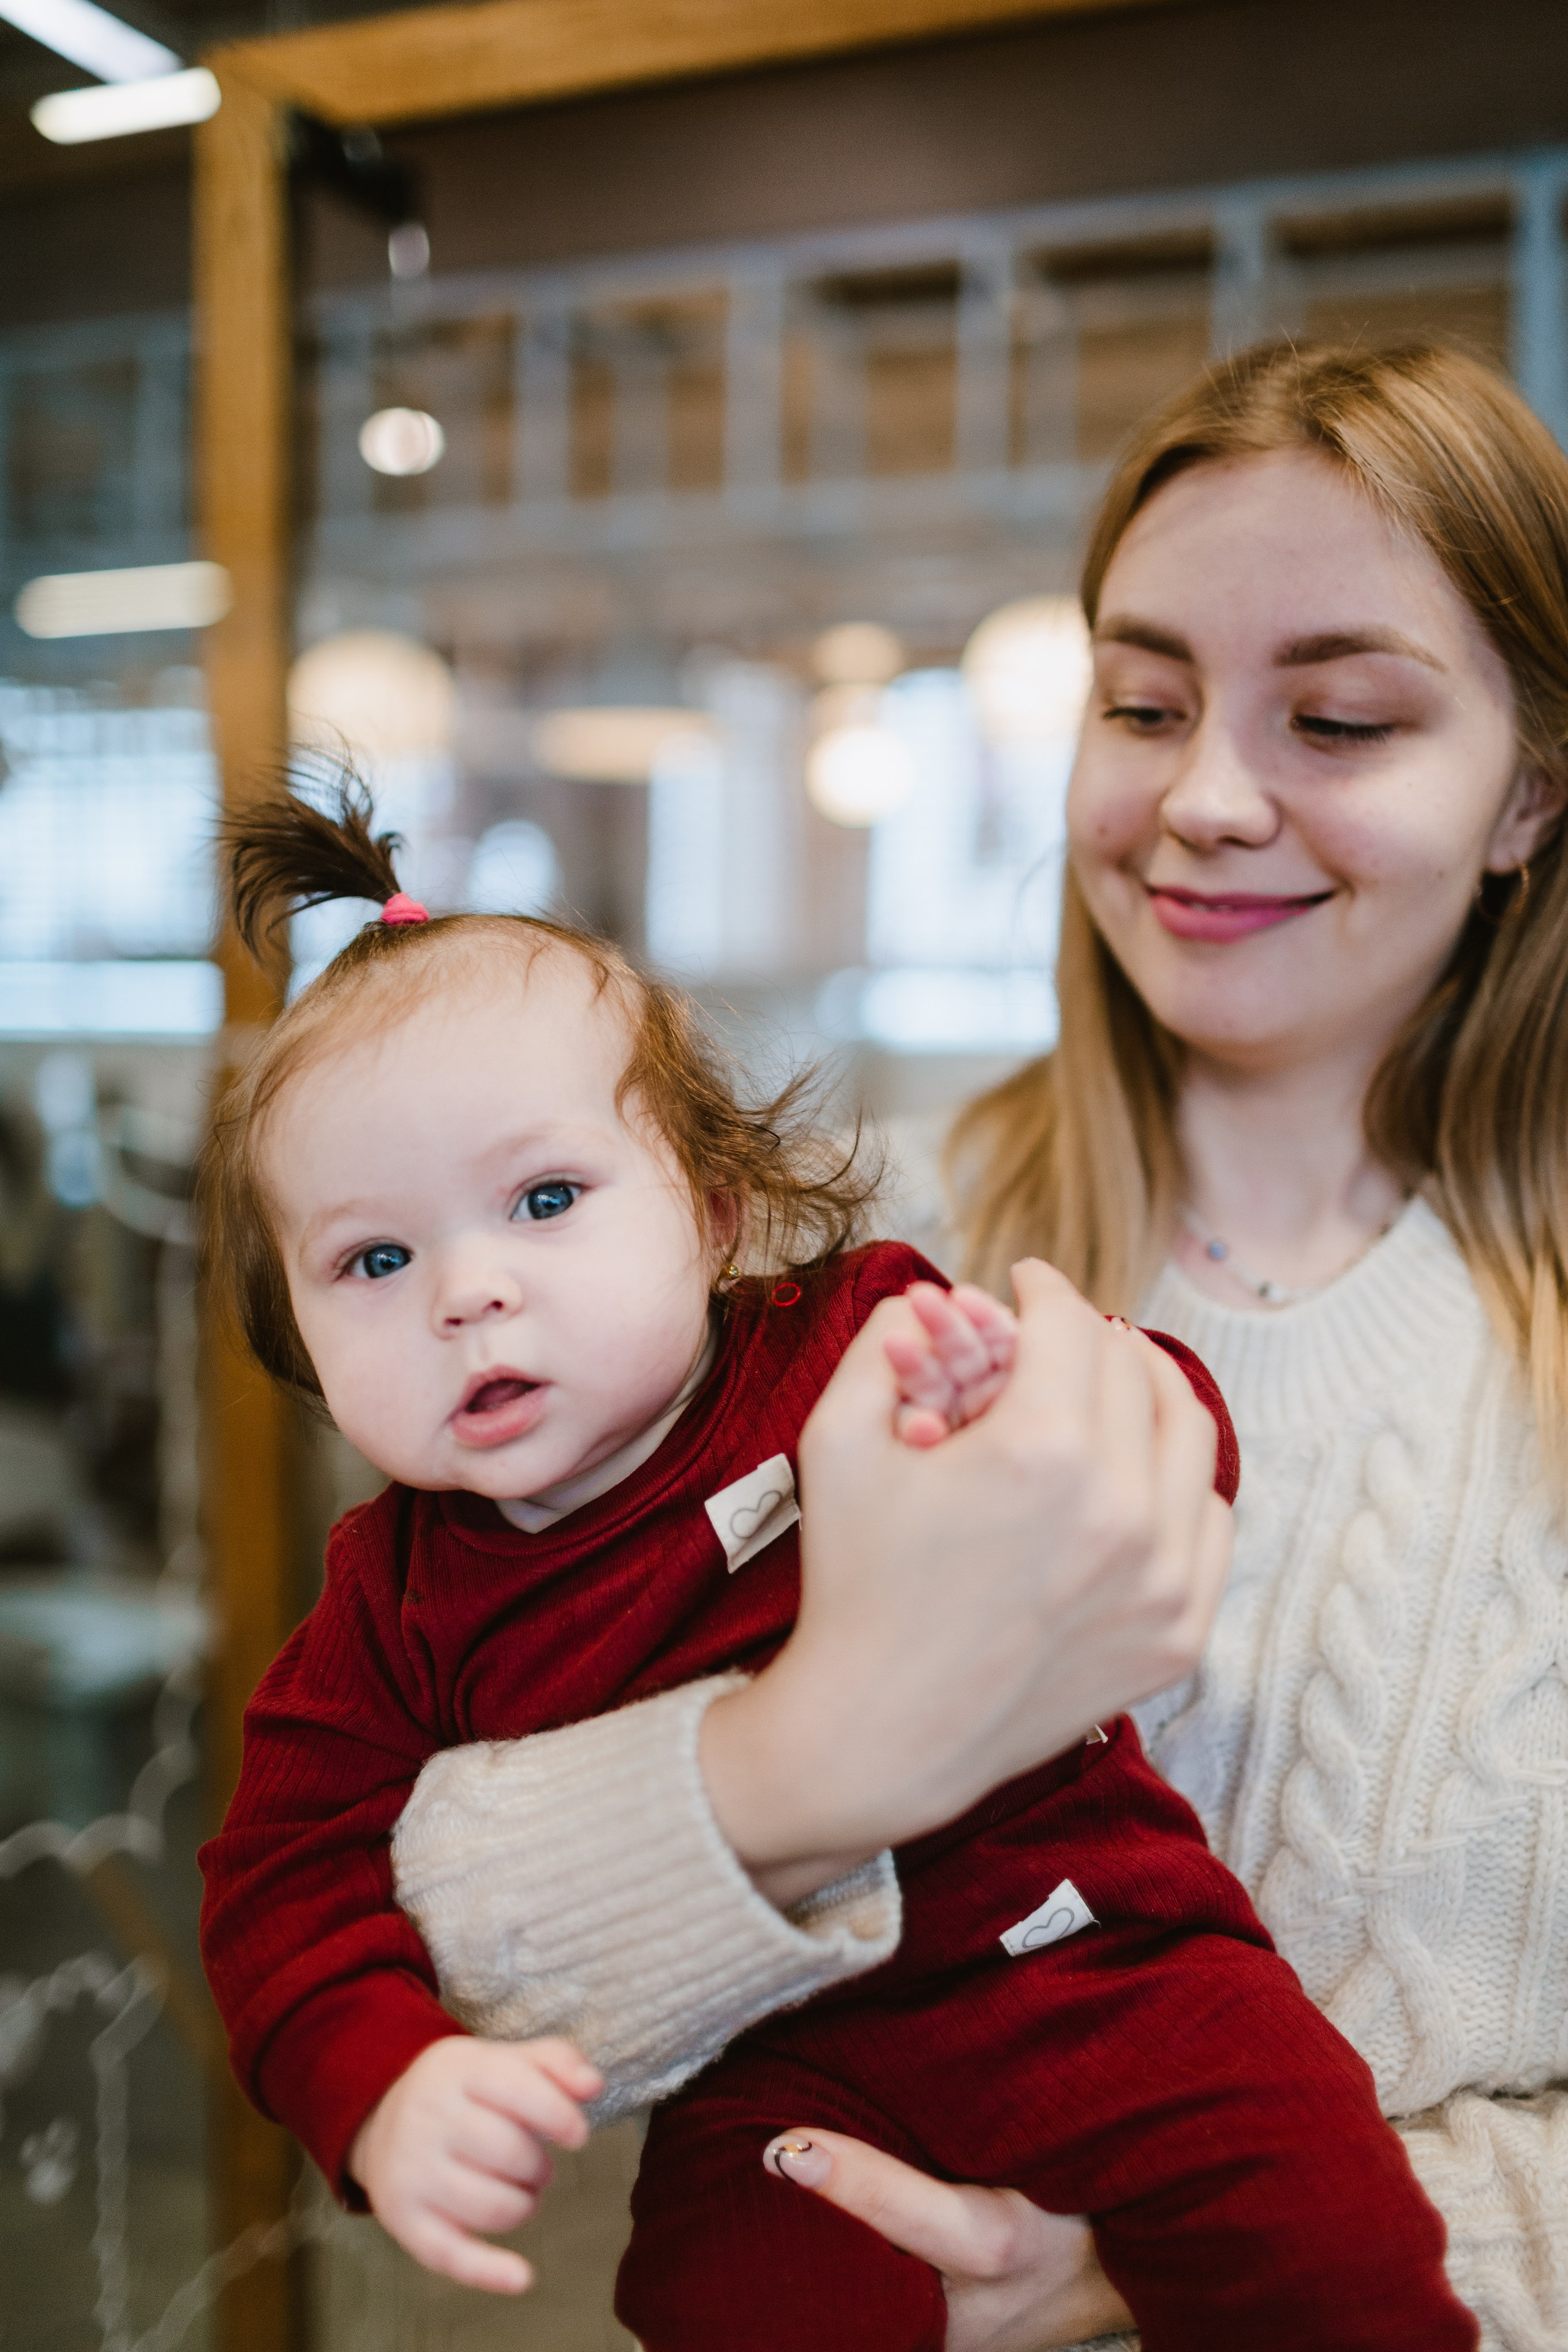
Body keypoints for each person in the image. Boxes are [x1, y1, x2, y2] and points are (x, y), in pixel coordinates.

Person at [393, 339, 1568, 2352]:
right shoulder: (836, 1264)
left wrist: (1137, 2262)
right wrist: (825, 1744)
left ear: (1529, 792)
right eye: (1144, 705)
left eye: (1340, 719)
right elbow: (440, 1938)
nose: (1206, 798)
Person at [194, 785, 1471, 2352]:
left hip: (1093, 1956)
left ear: (713, 1213)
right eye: (374, 1260)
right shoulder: (386, 1607)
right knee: (721, 2302)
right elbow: (279, 1887)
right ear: (296, 1334)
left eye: (545, 1200)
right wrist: (382, 2080)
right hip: (778, 2075)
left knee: (1328, 2237)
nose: (467, 1290)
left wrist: (1041, 1407)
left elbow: (1155, 1445)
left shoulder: (856, 1340)